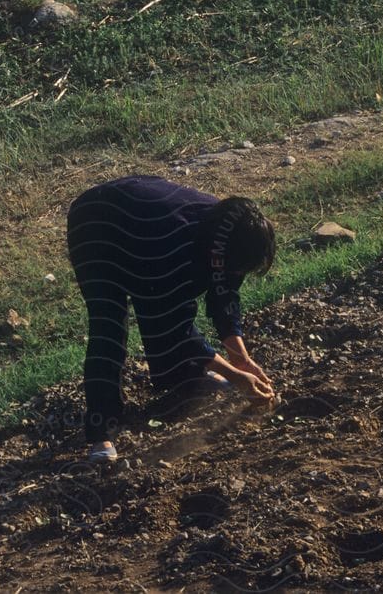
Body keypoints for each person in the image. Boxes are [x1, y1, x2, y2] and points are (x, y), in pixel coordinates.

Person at [66, 175, 277, 463]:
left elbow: (224, 295)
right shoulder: (172, 250)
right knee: (109, 326)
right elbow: (176, 328)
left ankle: (179, 378)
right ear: (219, 253)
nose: (236, 274)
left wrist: (240, 358)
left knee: (164, 296)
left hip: (143, 218)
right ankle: (101, 431)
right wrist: (234, 376)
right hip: (97, 225)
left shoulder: (227, 233)